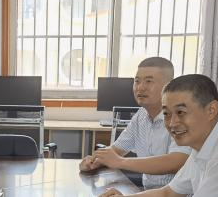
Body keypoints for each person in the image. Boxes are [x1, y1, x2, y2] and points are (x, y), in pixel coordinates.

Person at [80, 57, 190, 189]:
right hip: (150, 194)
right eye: (137, 81)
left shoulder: (181, 117)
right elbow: (117, 150)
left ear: (169, 86)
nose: (140, 87)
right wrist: (95, 161)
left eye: (149, 81)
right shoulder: (140, 116)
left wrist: (121, 162)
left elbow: (177, 162)